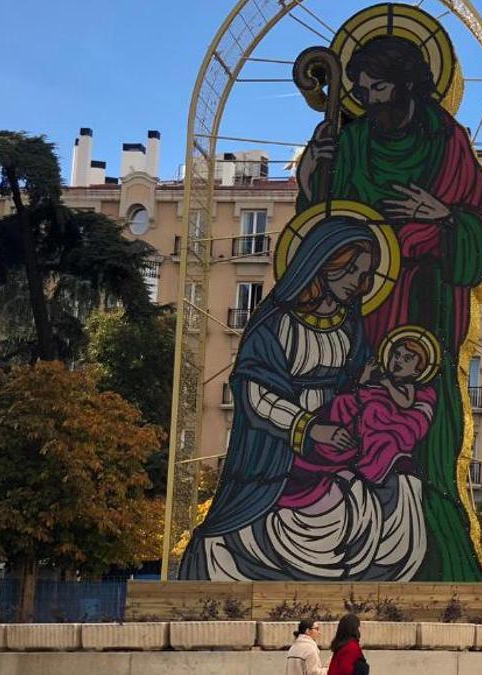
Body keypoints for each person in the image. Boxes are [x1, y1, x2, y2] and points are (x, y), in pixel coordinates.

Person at [297, 32, 482, 582]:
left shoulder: (447, 140)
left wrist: (443, 216)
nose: (367, 97)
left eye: (378, 86)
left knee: (425, 418)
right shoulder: (351, 137)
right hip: (362, 297)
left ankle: (431, 527)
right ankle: (341, 530)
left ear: (408, 83)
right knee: (353, 404)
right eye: (360, 87)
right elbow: (320, 221)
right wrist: (313, 172)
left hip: (427, 301)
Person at [179, 223, 429, 581]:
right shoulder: (274, 325)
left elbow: (359, 383)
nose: (358, 282)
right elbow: (255, 392)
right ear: (325, 263)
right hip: (284, 442)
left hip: (341, 435)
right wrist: (310, 427)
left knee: (401, 488)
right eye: (352, 269)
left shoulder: (350, 326)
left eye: (365, 273)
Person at [286, 328, 440, 503]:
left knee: (372, 410)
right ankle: (333, 439)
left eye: (407, 359)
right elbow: (361, 389)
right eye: (396, 355)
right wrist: (366, 373)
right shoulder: (381, 377)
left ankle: (362, 459)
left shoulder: (408, 386)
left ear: (416, 372)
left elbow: (405, 403)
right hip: (360, 410)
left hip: (383, 417)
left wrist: (389, 387)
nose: (398, 361)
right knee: (342, 401)